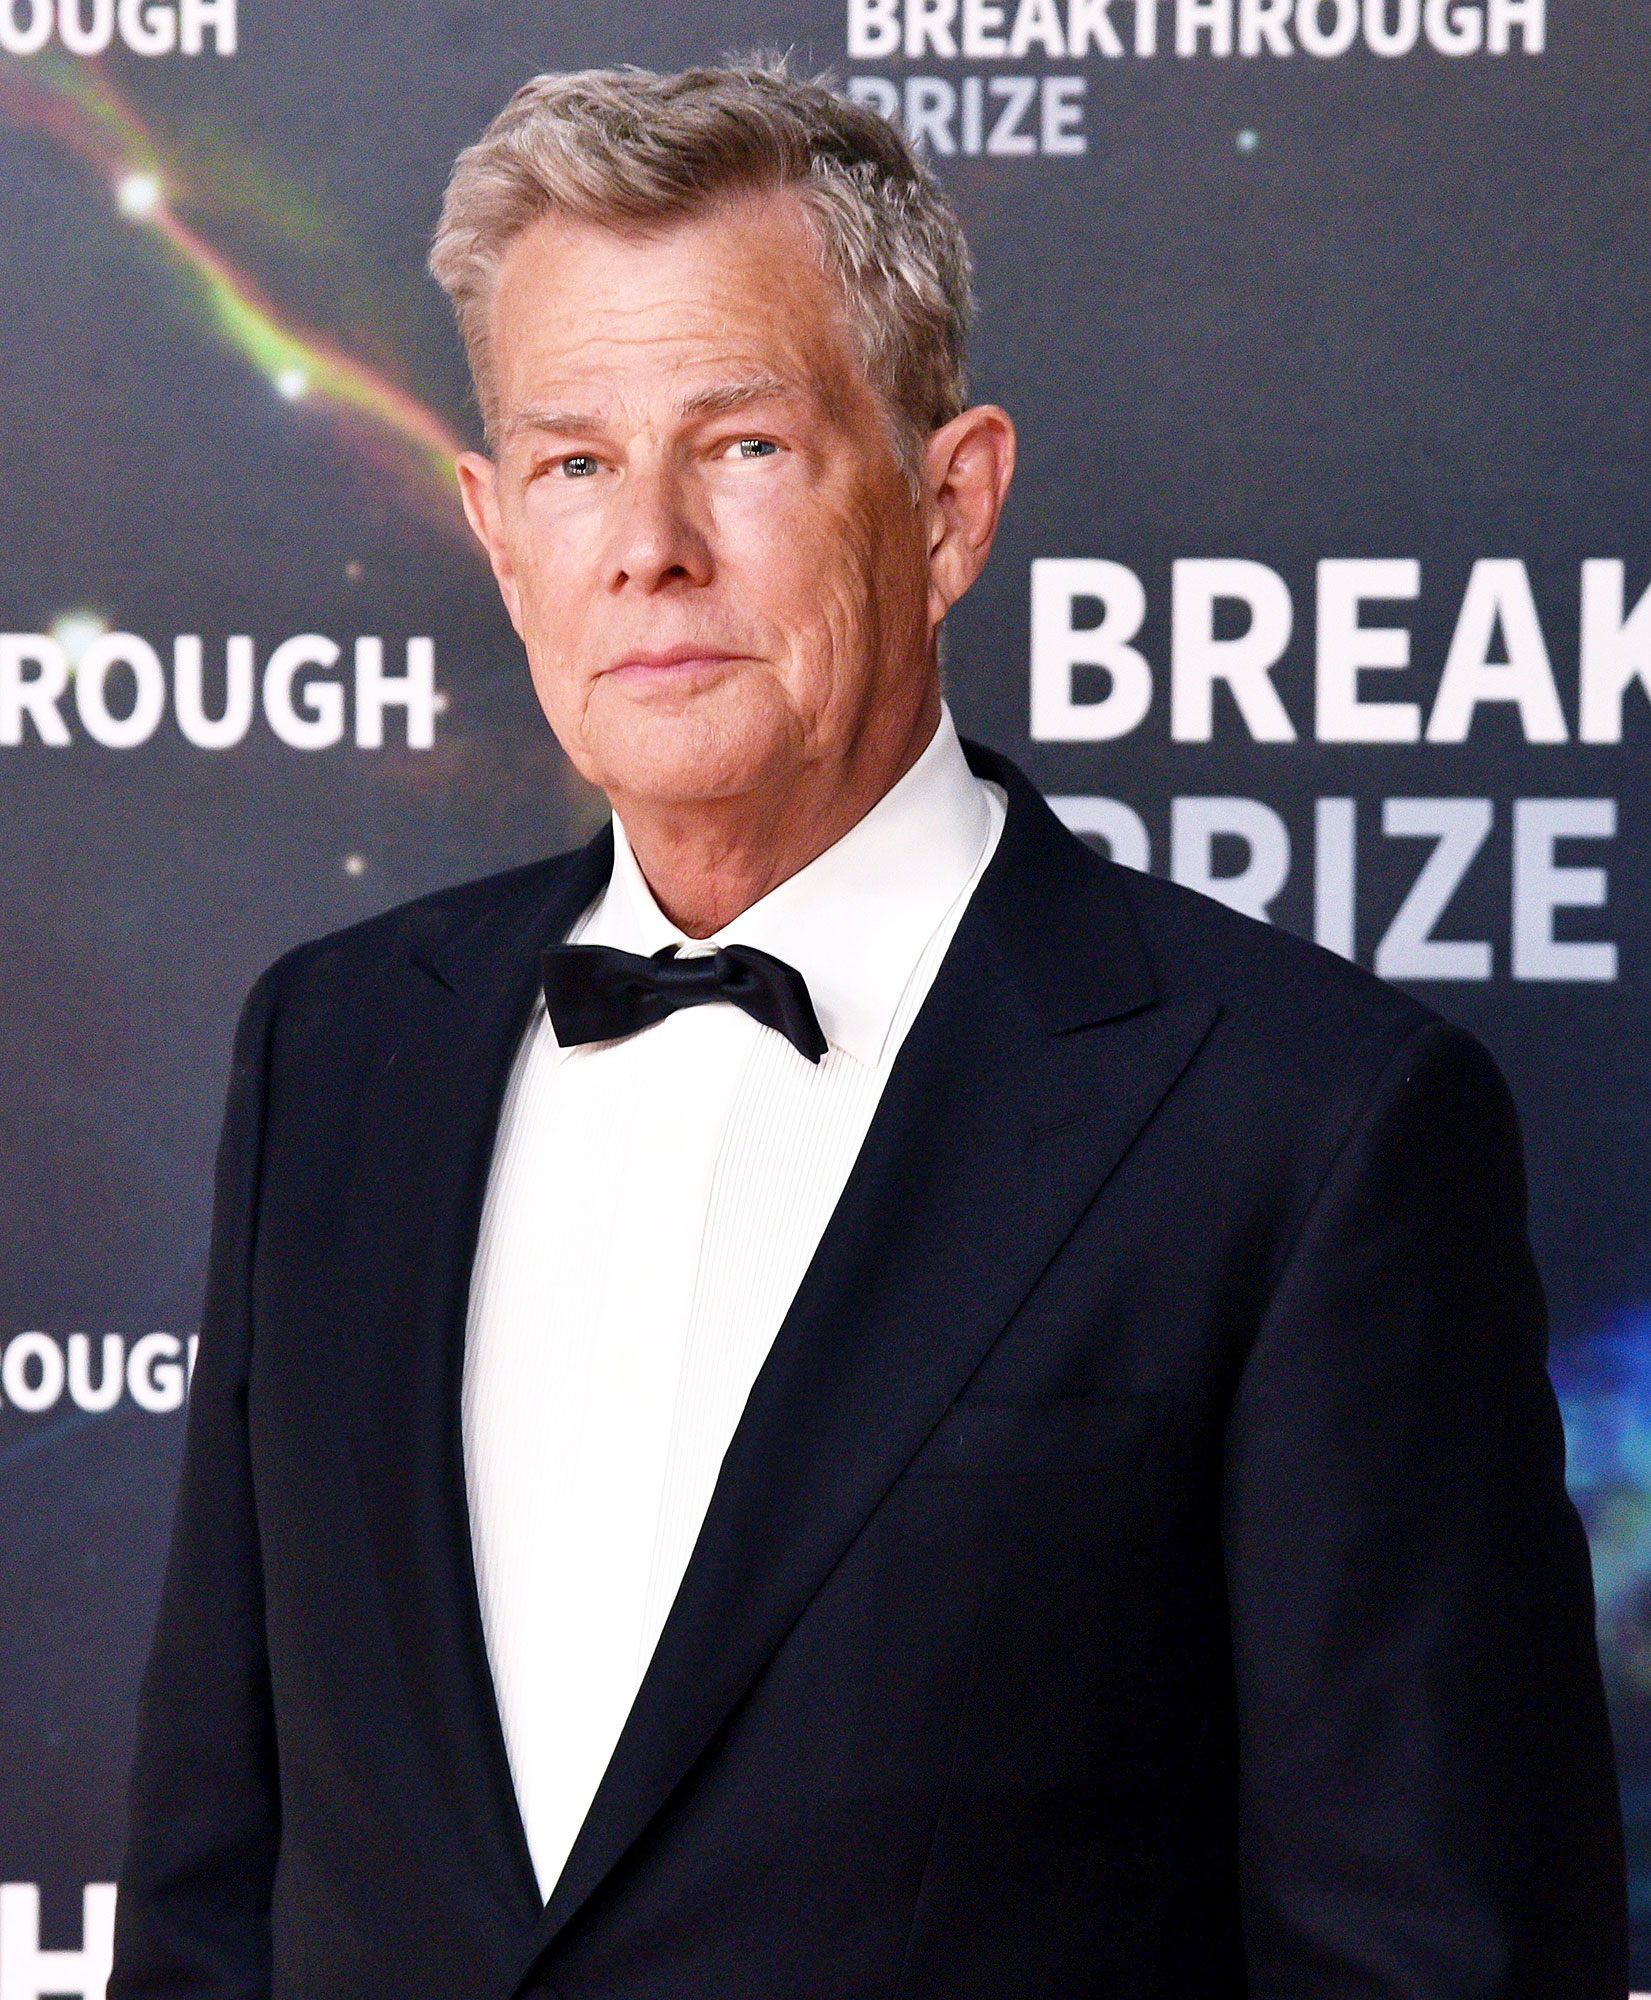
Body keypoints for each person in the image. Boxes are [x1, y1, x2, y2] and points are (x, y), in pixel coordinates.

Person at [109, 60, 1625, 2000]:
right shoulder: (330, 1053)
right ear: (494, 529)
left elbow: (1435, 1959)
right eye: (573, 464)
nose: (648, 542)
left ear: (948, 501)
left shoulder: (1309, 1128)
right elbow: (209, 1895)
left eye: (741, 443)